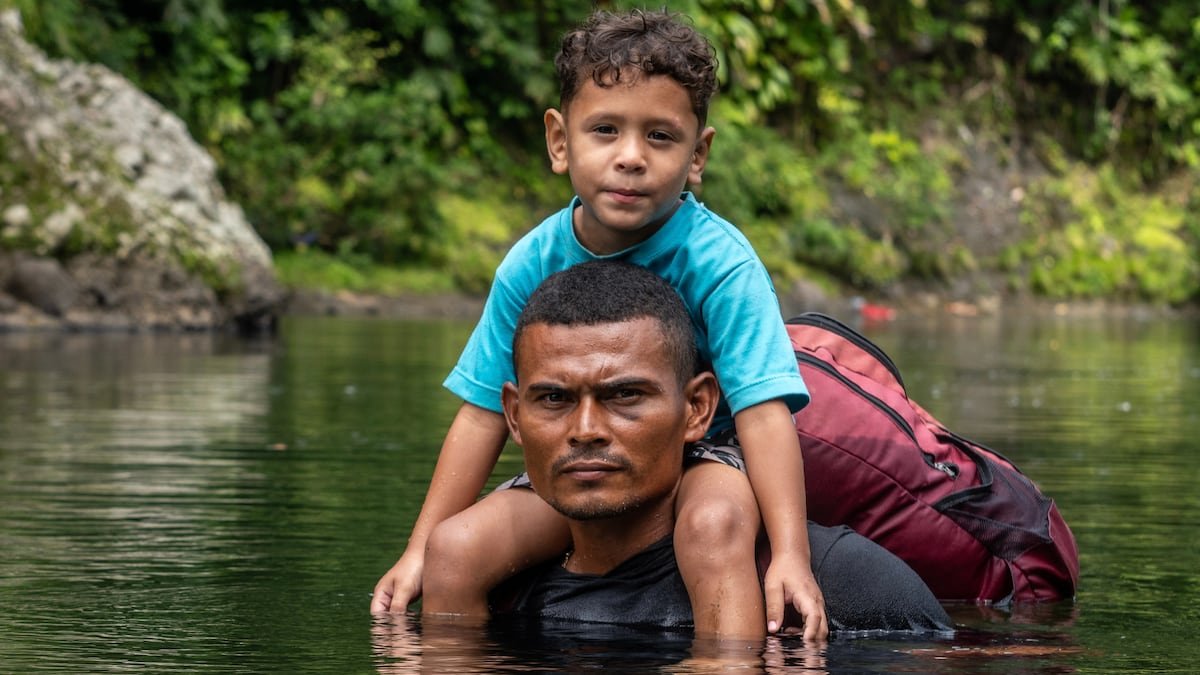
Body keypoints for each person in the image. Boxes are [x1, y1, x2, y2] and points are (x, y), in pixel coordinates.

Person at [372, 8, 826, 639]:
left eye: (661, 137)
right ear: (560, 142)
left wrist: (790, 556)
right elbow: (482, 410)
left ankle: (727, 660)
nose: (631, 158)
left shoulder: (722, 264)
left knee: (711, 528)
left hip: (704, 456)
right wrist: (419, 548)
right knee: (457, 549)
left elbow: (761, 410)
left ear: (699, 154)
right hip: (578, 464)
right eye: (605, 130)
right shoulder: (532, 262)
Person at [488, 261, 952, 637]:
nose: (586, 430)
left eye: (625, 395)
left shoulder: (845, 584)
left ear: (697, 409)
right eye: (553, 399)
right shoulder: (494, 587)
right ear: (514, 416)